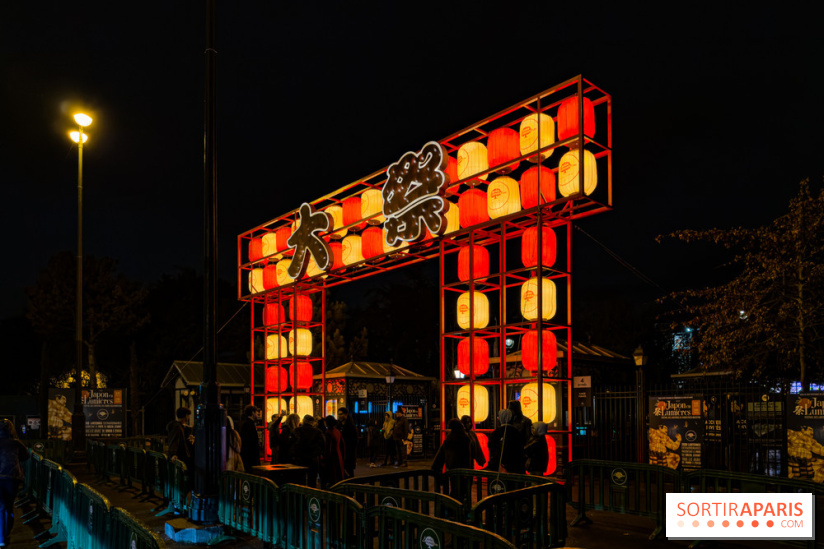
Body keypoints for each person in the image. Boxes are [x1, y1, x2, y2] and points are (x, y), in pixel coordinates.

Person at [0, 419, 29, 548]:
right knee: (9, 506)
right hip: (12, 477)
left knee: (0, 507)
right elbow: (26, 456)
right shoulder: (16, 443)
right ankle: (6, 532)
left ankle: (1, 538)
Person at [431, 418, 473, 499]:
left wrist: (435, 467)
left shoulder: (449, 438)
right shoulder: (465, 438)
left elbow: (441, 454)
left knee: (455, 488)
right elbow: (467, 456)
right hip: (463, 469)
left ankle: (452, 506)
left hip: (452, 468)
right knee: (464, 490)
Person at [487, 409, 526, 474]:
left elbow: (492, 448)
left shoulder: (497, 432)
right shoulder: (516, 432)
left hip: (499, 466)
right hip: (515, 466)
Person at [292, 415, 325, 487]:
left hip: (300, 458)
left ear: (304, 421)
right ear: (312, 422)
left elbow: (294, 444)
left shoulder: (297, 430)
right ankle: (311, 495)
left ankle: (301, 496)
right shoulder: (317, 431)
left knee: (300, 479)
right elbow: (323, 444)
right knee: (312, 479)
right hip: (313, 458)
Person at [321, 416, 345, 488]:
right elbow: (342, 445)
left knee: (331, 477)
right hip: (338, 455)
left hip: (332, 458)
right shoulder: (337, 431)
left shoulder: (328, 433)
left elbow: (328, 448)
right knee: (338, 476)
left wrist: (324, 459)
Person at [239, 405, 261, 472]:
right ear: (252, 412)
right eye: (256, 412)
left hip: (247, 455)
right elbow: (251, 442)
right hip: (251, 456)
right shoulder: (250, 424)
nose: (258, 414)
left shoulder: (246, 423)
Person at [337, 407, 358, 478]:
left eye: (341, 414)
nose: (339, 416)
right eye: (338, 414)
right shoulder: (338, 426)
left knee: (349, 472)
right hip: (341, 452)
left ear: (346, 414)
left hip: (349, 453)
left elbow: (354, 441)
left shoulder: (351, 426)